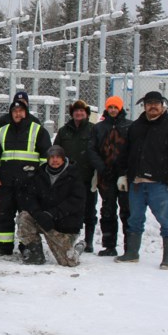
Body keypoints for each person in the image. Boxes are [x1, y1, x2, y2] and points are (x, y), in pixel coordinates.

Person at [114, 91, 168, 269]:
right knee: (135, 219)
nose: (153, 106)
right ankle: (132, 253)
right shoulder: (135, 127)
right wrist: (123, 174)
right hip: (137, 184)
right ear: (144, 105)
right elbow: (125, 153)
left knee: (166, 221)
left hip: (160, 184)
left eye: (157, 103)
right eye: (149, 103)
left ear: (163, 106)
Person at [0, 97, 52, 257]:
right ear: (11, 113)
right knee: (5, 213)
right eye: (15, 111)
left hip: (29, 184)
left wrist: (39, 177)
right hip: (7, 181)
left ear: (26, 112)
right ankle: (4, 245)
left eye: (21, 111)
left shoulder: (37, 130)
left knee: (27, 216)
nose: (18, 114)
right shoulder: (2, 131)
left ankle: (27, 245)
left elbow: (45, 156)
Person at [18, 145, 87, 266]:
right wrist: (38, 213)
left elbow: (76, 201)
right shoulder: (39, 174)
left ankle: (78, 248)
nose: (55, 160)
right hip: (43, 219)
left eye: (58, 157)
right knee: (24, 217)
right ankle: (35, 254)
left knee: (68, 262)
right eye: (52, 157)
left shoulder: (74, 174)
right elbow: (30, 197)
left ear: (63, 158)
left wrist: (52, 214)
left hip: (65, 224)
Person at [87, 95, 133, 257]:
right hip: (105, 176)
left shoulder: (129, 127)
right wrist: (101, 167)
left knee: (127, 211)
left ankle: (130, 246)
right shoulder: (99, 128)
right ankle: (109, 245)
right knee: (107, 210)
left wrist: (126, 171)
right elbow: (91, 150)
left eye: (116, 107)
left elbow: (134, 151)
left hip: (124, 177)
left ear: (120, 108)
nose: (113, 110)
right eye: (110, 107)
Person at [53, 99, 98, 253]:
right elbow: (56, 151)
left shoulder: (93, 130)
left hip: (87, 177)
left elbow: (98, 152)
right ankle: (67, 238)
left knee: (89, 210)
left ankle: (89, 240)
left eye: (82, 111)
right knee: (68, 209)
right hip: (67, 179)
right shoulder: (64, 131)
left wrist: (97, 173)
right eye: (76, 111)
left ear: (87, 113)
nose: (79, 113)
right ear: (72, 113)